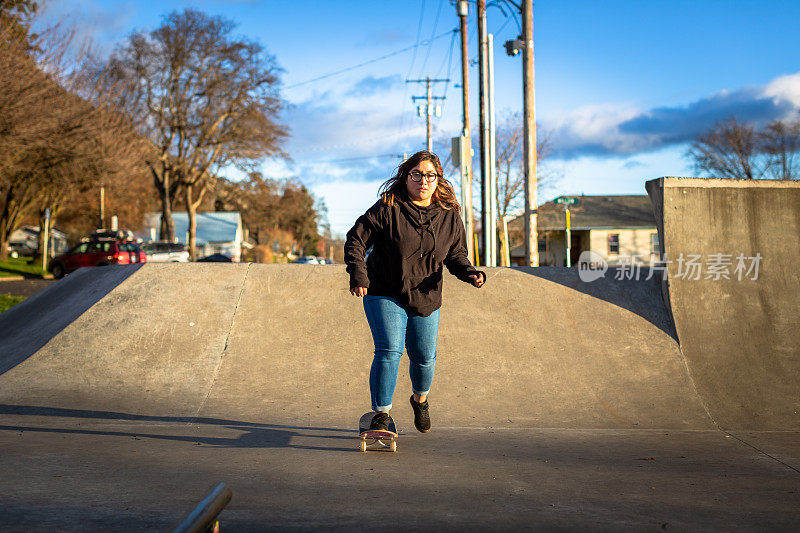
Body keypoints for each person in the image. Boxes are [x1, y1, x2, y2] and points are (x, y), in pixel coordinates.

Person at [344, 150, 485, 434]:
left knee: (424, 357)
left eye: (430, 176)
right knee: (389, 350)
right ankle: (381, 415)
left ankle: (420, 400)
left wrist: (470, 272)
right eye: (417, 175)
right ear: (406, 177)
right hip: (385, 291)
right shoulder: (388, 208)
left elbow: (456, 256)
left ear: (438, 180)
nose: (423, 181)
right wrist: (359, 274)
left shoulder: (449, 217)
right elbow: (356, 239)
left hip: (427, 296)